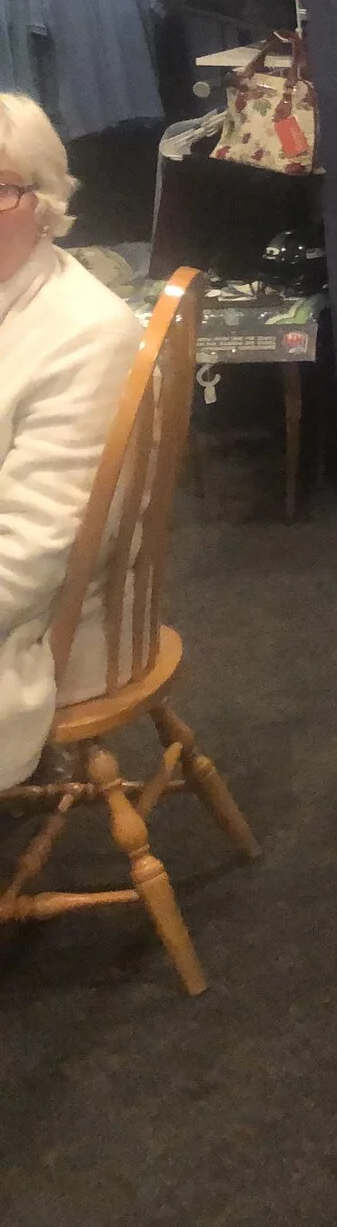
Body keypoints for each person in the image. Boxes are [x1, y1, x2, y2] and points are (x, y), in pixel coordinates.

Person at [0, 94, 145, 788]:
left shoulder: (87, 334)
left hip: (42, 627)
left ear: (45, 201)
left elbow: (29, 557)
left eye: (0, 189)